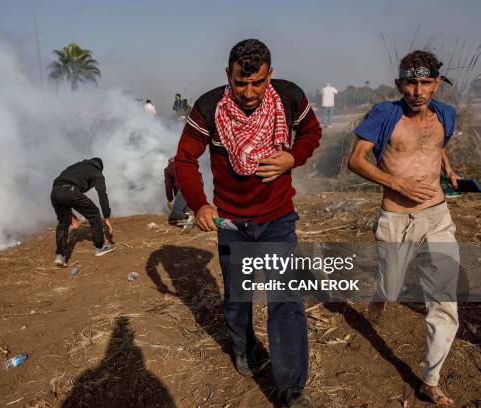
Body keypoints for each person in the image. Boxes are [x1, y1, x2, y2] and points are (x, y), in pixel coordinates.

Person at [174, 39, 321, 407]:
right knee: (238, 297)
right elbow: (184, 160)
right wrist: (199, 205)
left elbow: (312, 133)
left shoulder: (288, 98)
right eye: (241, 83)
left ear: (270, 74)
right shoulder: (209, 108)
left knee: (285, 299)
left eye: (258, 82)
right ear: (228, 75)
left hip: (277, 219)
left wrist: (292, 158)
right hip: (231, 223)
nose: (250, 92)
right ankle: (242, 347)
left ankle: (292, 389)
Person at [348, 50, 459, 406]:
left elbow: (436, 145)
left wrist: (449, 170)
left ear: (436, 84)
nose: (418, 90)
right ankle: (381, 295)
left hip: (437, 216)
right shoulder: (385, 114)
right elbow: (356, 159)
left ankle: (431, 379)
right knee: (391, 285)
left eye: (426, 82)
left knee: (444, 303)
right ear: (399, 84)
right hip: (395, 218)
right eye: (411, 82)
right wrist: (398, 184)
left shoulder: (446, 113)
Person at [50, 158, 115, 266]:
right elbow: (102, 195)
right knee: (94, 213)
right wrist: (107, 217)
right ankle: (100, 247)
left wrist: (70, 215)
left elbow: (61, 190)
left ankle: (60, 255)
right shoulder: (97, 172)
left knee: (63, 222)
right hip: (70, 191)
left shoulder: (77, 166)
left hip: (55, 192)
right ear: (99, 167)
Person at [164, 157, 193, 225]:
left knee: (174, 214)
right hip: (195, 188)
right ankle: (188, 220)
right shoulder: (187, 164)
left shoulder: (168, 169)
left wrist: (170, 199)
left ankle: (188, 218)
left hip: (184, 188)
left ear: (169, 162)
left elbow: (168, 186)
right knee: (184, 209)